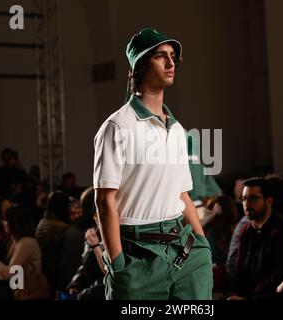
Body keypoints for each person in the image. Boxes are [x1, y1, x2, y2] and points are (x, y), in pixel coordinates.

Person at [93, 28, 212, 300]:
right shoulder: (117, 127)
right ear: (141, 66)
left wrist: (202, 245)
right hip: (136, 255)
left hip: (186, 249)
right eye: (161, 56)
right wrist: (118, 264)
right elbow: (104, 201)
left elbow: (182, 193)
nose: (171, 64)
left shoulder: (178, 129)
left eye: (173, 57)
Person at [227, 177, 283, 300]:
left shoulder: (280, 228)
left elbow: (280, 273)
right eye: (244, 199)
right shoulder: (245, 230)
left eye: (253, 199)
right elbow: (238, 268)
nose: (247, 204)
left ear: (269, 201)